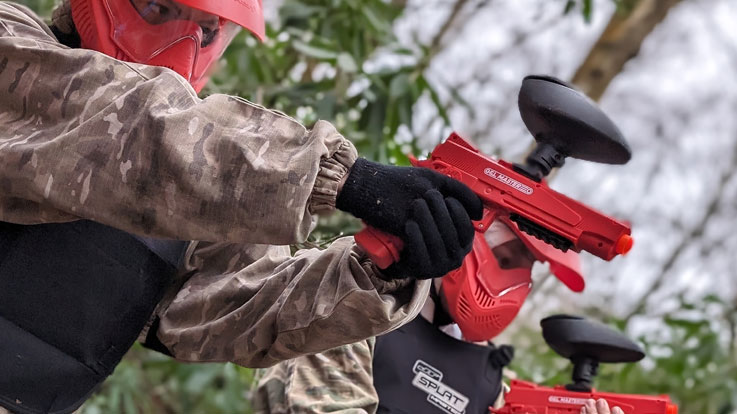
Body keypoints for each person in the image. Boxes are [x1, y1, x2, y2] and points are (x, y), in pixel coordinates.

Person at [0, 1, 483, 413]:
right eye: (158, 10)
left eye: (206, 32)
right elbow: (122, 125)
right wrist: (344, 178)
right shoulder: (14, 47)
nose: (180, 47)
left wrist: (385, 266)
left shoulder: (181, 193)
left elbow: (247, 301)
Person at [253, 219, 624, 414]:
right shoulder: (357, 309)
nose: (514, 287)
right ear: (465, 241)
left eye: (526, 273)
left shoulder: (491, 385)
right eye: (506, 259)